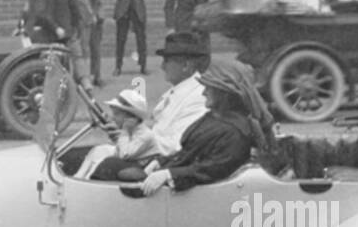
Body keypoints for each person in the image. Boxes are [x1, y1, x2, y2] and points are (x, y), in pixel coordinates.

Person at [90, 59, 274, 196]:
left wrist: (169, 173)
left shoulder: (234, 131)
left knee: (110, 167)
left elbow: (211, 169)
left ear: (224, 94)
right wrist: (161, 163)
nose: (203, 92)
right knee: (111, 165)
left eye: (209, 88)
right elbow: (188, 152)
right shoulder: (215, 118)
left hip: (195, 192)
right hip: (180, 178)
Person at [63, 32, 210, 178]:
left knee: (105, 166)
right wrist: (124, 134)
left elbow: (176, 146)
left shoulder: (198, 98)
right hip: (146, 156)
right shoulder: (179, 91)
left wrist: (129, 137)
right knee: (70, 157)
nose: (162, 66)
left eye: (167, 61)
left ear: (186, 65)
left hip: (158, 165)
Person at [72, 89, 150, 179]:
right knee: (98, 150)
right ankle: (77, 178)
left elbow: (128, 153)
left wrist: (119, 138)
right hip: (126, 156)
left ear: (131, 117)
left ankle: (87, 182)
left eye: (117, 114)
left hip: (137, 164)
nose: (113, 117)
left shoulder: (142, 135)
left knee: (103, 161)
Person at [113, 0, 152, 77]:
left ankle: (143, 65)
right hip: (123, 10)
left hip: (138, 10)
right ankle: (118, 66)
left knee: (141, 39)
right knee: (121, 39)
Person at [84, 0, 107, 86]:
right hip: (84, 16)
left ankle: (96, 75)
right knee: (83, 49)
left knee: (95, 47)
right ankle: (84, 76)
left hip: (97, 16)